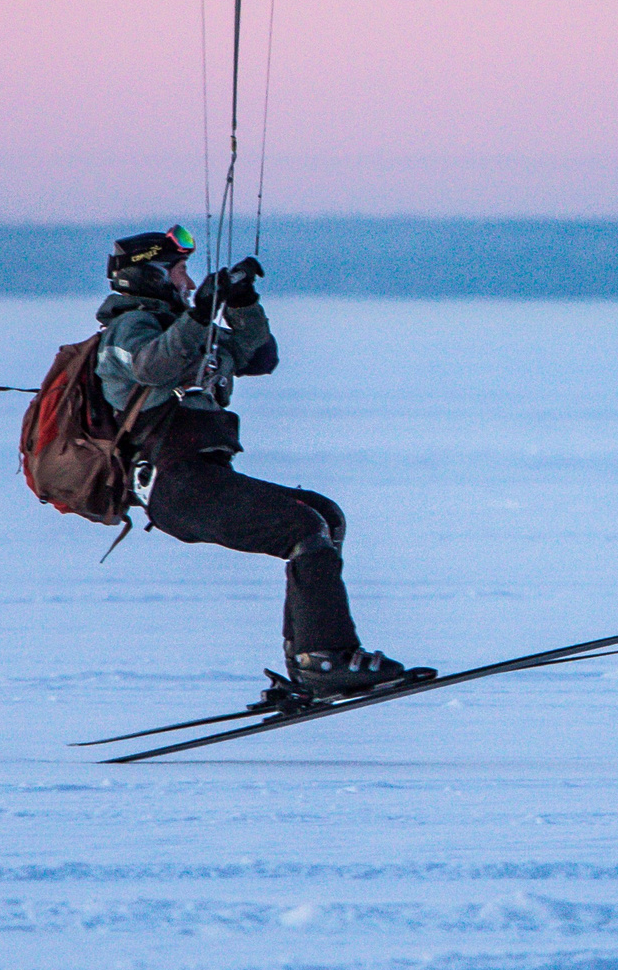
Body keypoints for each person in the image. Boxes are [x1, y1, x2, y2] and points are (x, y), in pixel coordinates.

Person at [96, 227, 422, 699]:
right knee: (302, 526)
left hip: (201, 479)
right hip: (174, 486)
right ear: (152, 275)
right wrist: (201, 313)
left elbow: (261, 355)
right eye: (181, 271)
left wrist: (242, 302)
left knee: (323, 515)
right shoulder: (127, 331)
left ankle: (309, 660)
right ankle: (326, 658)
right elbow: (152, 366)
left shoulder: (186, 331)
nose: (189, 282)